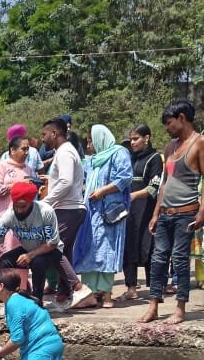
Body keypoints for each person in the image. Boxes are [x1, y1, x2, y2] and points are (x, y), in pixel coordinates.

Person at [140, 100, 204, 325]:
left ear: (182, 118)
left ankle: (180, 308)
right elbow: (164, 184)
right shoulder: (170, 148)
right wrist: (155, 213)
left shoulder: (199, 143)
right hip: (166, 213)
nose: (167, 128)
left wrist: (202, 211)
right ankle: (153, 305)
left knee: (179, 259)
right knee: (157, 258)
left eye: (169, 123)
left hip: (186, 213)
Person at [0, 179, 75, 306]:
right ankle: (11, 299)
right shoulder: (9, 216)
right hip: (28, 249)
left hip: (51, 251)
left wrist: (30, 255)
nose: (19, 210)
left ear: (31, 202)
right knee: (5, 260)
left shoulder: (45, 212)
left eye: (23, 206)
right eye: (16, 206)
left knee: (38, 261)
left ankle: (37, 302)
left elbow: (52, 243)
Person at [72, 124, 132, 310]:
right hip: (91, 213)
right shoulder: (91, 160)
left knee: (107, 252)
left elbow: (125, 177)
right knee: (89, 251)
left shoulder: (118, 153)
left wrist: (103, 191)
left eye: (91, 140)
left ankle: (107, 295)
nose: (89, 145)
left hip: (109, 213)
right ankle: (90, 294)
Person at [40, 116, 91, 307]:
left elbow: (66, 181)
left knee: (52, 247)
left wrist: (46, 202)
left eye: (45, 134)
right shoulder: (63, 152)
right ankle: (64, 293)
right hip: (67, 208)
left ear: (55, 133)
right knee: (64, 250)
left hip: (69, 208)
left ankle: (80, 289)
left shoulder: (65, 153)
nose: (43, 138)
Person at [0, 135, 35, 295]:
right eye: (23, 149)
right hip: (3, 216)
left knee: (19, 254)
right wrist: (18, 185)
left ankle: (20, 288)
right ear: (12, 150)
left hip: (22, 220)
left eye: (28, 149)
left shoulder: (28, 169)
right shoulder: (2, 166)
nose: (26, 152)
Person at [121, 124, 163, 301]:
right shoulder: (129, 158)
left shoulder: (155, 158)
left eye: (136, 138)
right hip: (129, 212)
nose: (132, 142)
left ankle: (155, 289)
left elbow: (154, 187)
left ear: (147, 138)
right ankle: (131, 288)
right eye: (131, 139)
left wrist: (133, 195)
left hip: (147, 210)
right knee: (129, 247)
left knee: (149, 248)